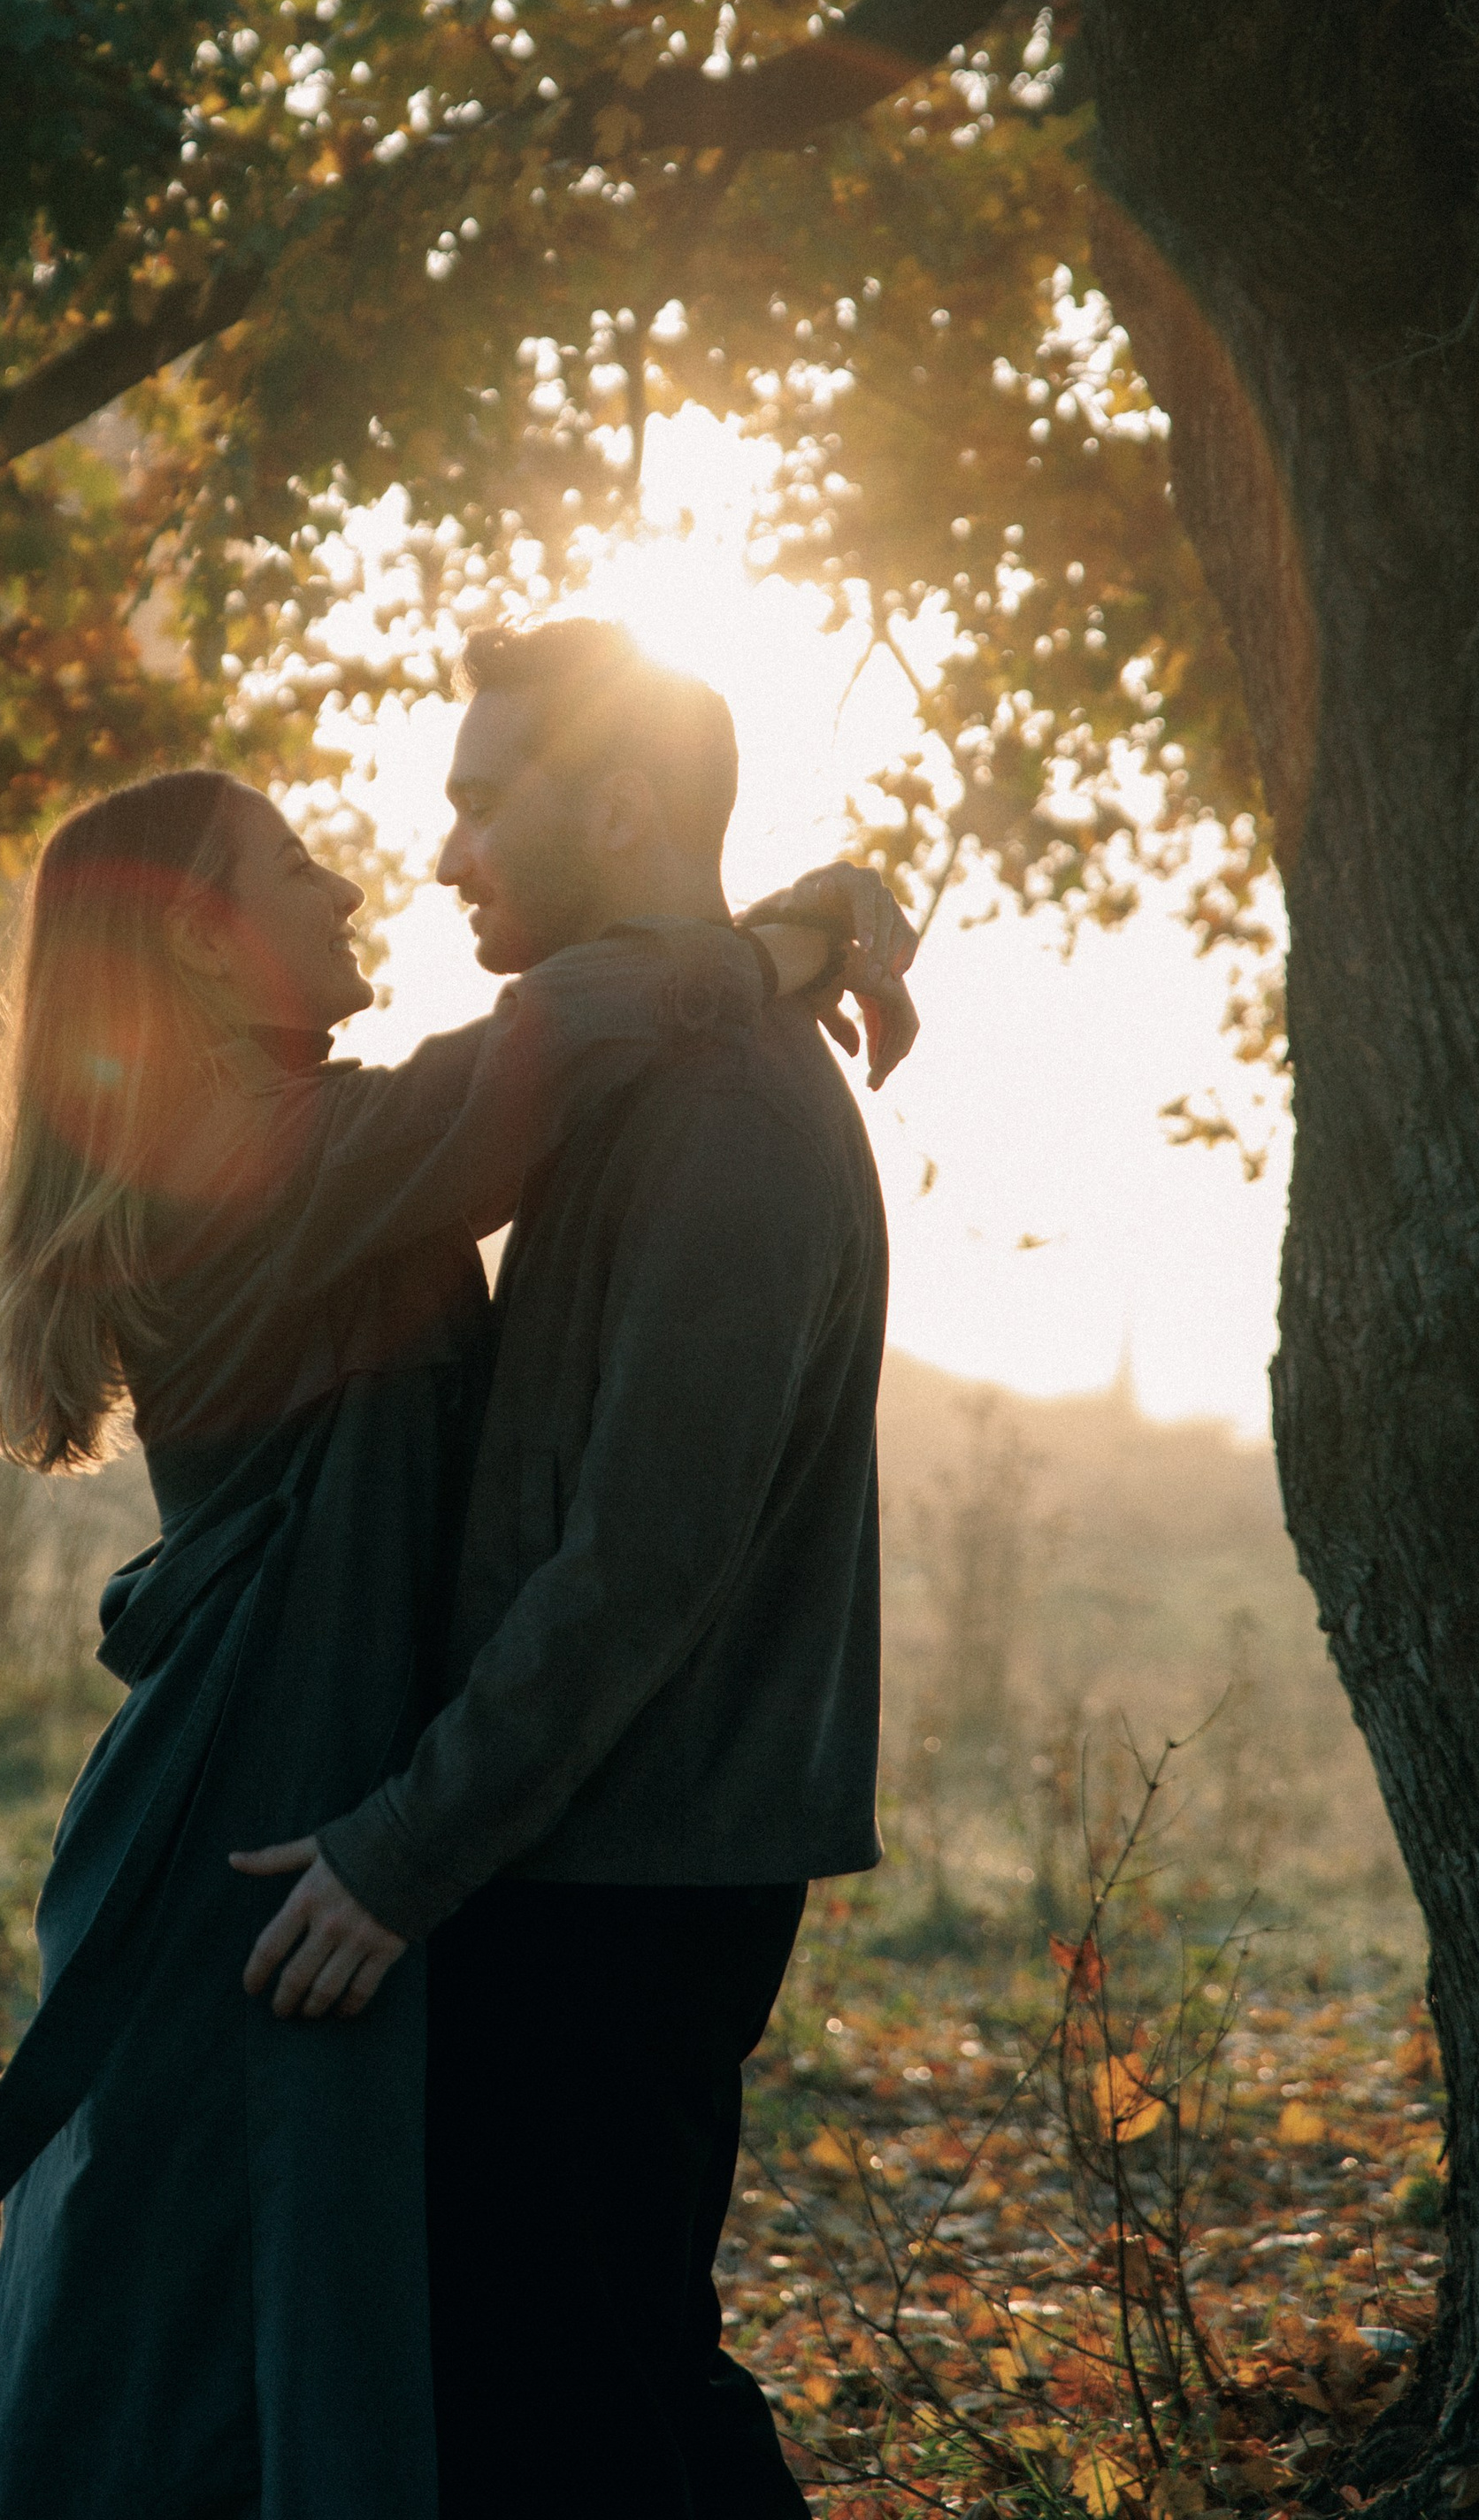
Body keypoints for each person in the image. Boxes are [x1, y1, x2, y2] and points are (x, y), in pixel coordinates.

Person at [0, 761, 910, 2520]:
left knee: (280, 2286)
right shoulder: (249, 1163)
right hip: (262, 1797)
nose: (354, 889)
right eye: (293, 868)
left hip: (298, 1780)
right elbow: (556, 1039)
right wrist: (787, 932)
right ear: (206, 953)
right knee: (177, 2305)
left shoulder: (292, 1141)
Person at [234, 624, 906, 2519]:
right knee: (547, 2377)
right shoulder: (656, 1068)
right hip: (591, 1840)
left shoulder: (724, 1114)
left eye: (476, 801)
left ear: (614, 802)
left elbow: (642, 1554)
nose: (439, 852)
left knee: (599, 2380)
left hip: (634, 1857)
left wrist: (402, 1851)